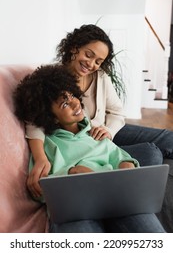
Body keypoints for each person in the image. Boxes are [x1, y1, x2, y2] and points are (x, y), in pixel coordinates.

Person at [13, 64, 165, 233]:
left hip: (117, 201)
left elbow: (118, 155)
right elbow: (40, 191)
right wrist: (71, 174)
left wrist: (126, 165)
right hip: (77, 210)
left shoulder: (94, 132)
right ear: (52, 118)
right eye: (64, 104)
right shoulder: (48, 145)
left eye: (71, 95)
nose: (74, 103)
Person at [25, 24, 170, 198]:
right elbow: (34, 119)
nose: (91, 64)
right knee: (152, 153)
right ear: (74, 48)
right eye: (88, 55)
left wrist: (108, 131)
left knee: (167, 138)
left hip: (102, 134)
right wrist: (40, 157)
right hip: (83, 140)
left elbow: (117, 112)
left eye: (98, 61)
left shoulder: (100, 77)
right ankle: (115, 181)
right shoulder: (53, 79)